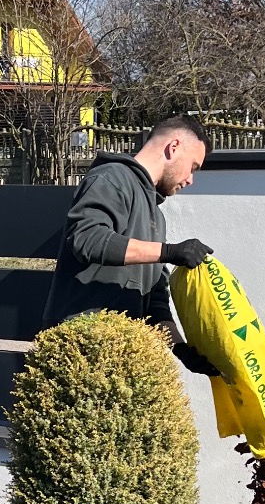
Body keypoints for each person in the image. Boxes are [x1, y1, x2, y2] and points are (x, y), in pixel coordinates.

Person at [42, 114, 217, 371]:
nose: (191, 179)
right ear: (174, 147)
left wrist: (181, 351)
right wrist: (168, 252)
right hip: (80, 347)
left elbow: (153, 300)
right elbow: (86, 238)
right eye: (193, 167)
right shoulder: (111, 178)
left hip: (121, 350)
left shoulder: (155, 215)